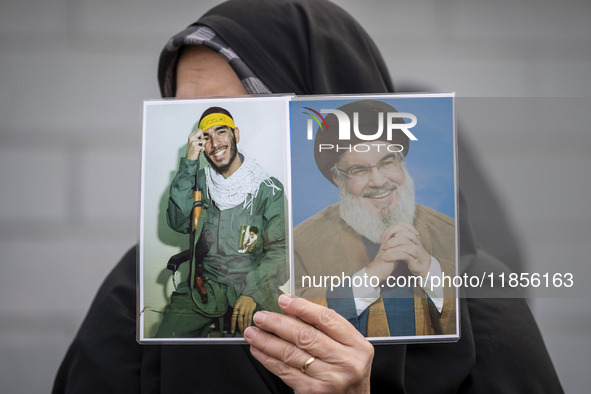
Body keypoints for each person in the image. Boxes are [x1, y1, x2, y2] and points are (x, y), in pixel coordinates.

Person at [53, 0, 563, 393]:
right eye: (192, 118)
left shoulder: (485, 304)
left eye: (242, 116)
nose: (214, 142)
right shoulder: (140, 293)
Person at [294, 99, 456, 338]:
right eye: (359, 170)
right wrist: (371, 276)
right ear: (338, 179)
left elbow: (479, 319)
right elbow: (293, 319)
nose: (379, 181)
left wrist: (428, 269)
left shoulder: (449, 231)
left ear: (401, 163)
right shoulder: (301, 243)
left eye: (387, 162)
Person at [155, 106, 286, 338]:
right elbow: (178, 222)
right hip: (205, 289)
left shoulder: (266, 188)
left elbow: (280, 250)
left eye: (221, 132)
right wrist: (189, 163)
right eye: (206, 137)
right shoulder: (200, 183)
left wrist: (252, 294)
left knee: (281, 346)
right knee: (166, 344)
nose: (215, 144)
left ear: (236, 135)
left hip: (254, 285)